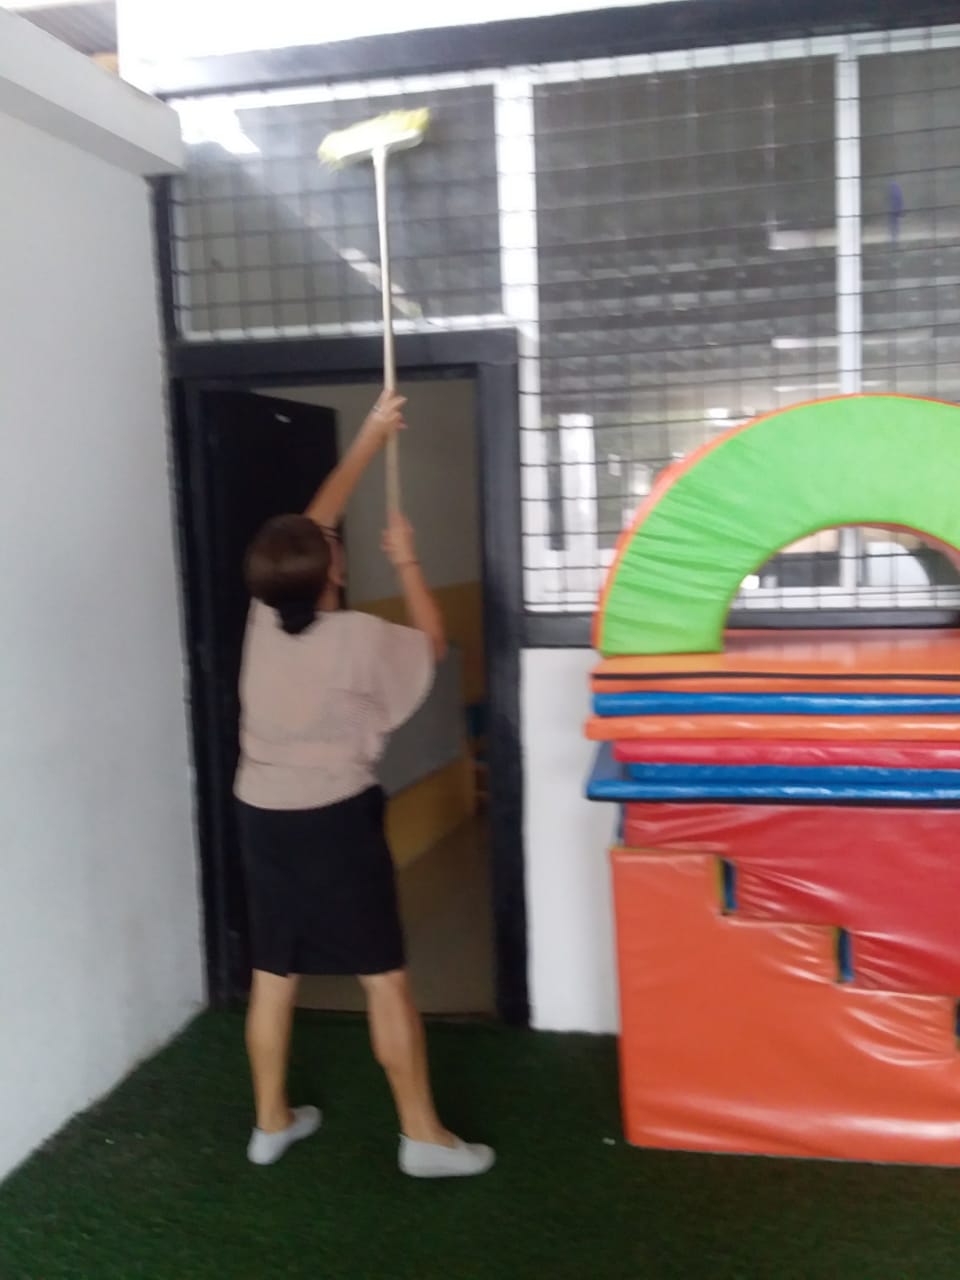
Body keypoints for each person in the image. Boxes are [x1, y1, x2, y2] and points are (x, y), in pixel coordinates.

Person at [234, 389, 494, 1180]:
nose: (334, 539)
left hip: (261, 818)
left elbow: (313, 520)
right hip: (334, 823)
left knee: (273, 975)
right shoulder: (358, 640)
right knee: (384, 978)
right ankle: (423, 1138)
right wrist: (408, 559)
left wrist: (372, 436)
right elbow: (434, 643)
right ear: (330, 570)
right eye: (332, 545)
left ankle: (270, 1123)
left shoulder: (261, 619)